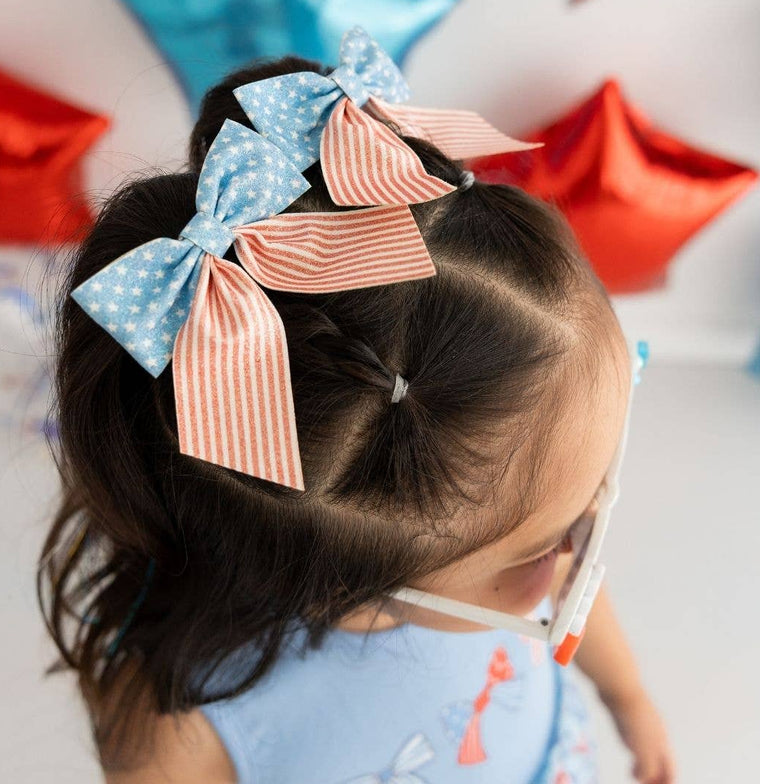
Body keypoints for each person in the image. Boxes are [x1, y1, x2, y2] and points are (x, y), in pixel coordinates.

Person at [37, 51, 675, 784]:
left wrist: (628, 699)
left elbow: (572, 588)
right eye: (559, 545)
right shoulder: (181, 729)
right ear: (345, 589)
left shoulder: (525, 532)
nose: (581, 554)